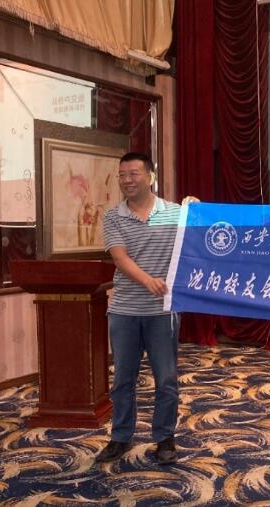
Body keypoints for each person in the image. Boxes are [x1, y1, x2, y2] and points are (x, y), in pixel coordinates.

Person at [96, 152, 195, 465]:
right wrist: (147, 280)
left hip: (163, 312)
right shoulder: (114, 216)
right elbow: (119, 257)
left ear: (150, 177)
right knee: (123, 380)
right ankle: (120, 437)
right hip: (124, 310)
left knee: (166, 380)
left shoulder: (174, 213)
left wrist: (197, 211)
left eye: (133, 174)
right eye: (122, 175)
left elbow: (201, 240)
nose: (127, 180)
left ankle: (165, 438)